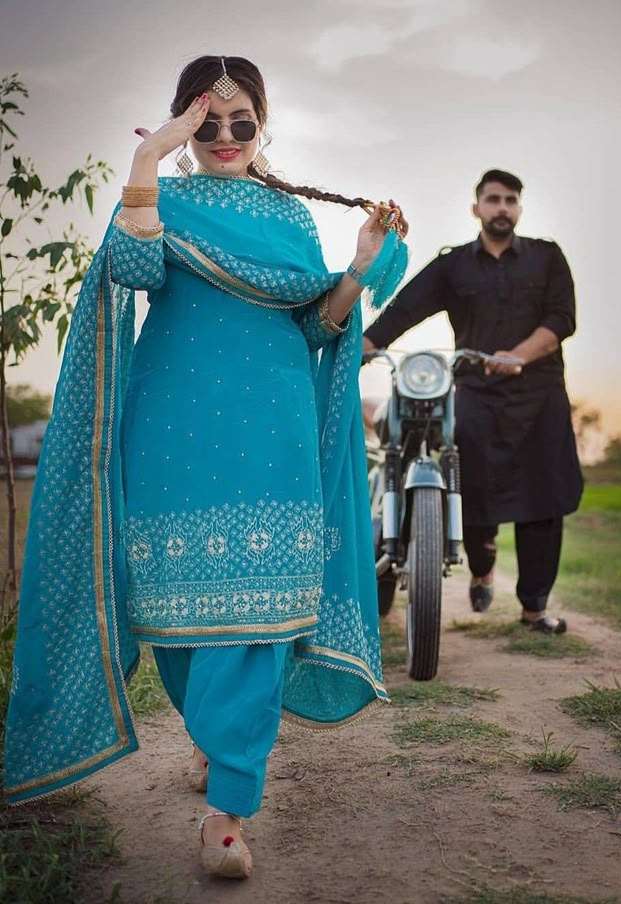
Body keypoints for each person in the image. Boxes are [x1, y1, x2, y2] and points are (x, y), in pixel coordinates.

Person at [3, 55, 408, 880]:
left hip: (275, 432)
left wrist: (361, 265)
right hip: (173, 431)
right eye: (206, 122)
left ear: (266, 125)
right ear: (185, 122)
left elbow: (321, 328)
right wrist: (152, 160)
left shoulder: (292, 219)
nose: (225, 138)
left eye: (242, 123)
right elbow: (135, 268)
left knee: (258, 620)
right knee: (177, 624)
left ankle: (229, 806)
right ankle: (210, 738)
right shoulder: (165, 199)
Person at [363, 168, 582, 634]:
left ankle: (534, 609)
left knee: (543, 502)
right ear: (476, 207)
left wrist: (518, 356)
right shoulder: (454, 265)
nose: (502, 207)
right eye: (493, 199)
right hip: (478, 396)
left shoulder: (547, 258)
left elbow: (562, 318)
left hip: (540, 394)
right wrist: (366, 345)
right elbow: (407, 307)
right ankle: (482, 569)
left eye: (510, 200)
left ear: (519, 209)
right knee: (474, 488)